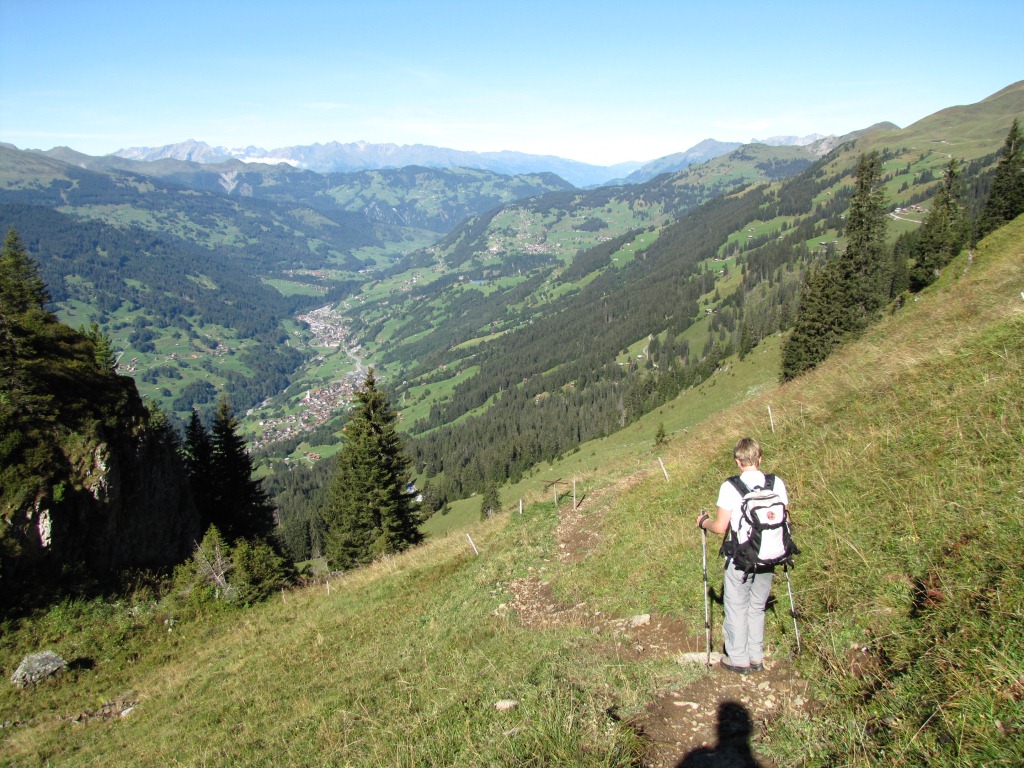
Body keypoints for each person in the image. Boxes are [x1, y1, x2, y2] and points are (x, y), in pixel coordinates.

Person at [697, 437, 789, 674]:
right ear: (760, 459)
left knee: (737, 606)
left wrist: (704, 522)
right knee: (757, 606)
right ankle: (756, 657)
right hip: (769, 555)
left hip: (740, 558)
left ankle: (738, 658)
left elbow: (720, 527)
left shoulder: (730, 487)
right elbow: (785, 519)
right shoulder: (776, 483)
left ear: (738, 461)